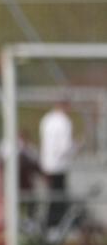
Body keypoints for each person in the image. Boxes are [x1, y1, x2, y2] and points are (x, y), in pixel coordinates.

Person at [39, 99, 75, 232]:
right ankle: (55, 225)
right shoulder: (64, 121)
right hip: (59, 166)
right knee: (59, 197)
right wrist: (75, 148)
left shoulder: (46, 119)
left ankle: (50, 224)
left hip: (47, 164)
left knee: (52, 196)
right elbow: (65, 147)